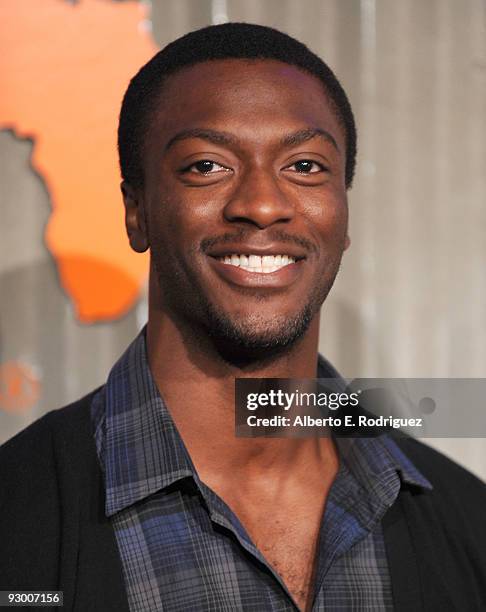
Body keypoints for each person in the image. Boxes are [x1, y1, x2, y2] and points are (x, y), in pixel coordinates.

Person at [1, 22, 485, 612]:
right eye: (207, 166)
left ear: (344, 214)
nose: (261, 204)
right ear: (137, 212)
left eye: (305, 166)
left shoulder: (467, 523)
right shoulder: (17, 516)